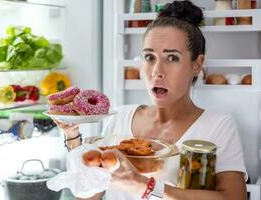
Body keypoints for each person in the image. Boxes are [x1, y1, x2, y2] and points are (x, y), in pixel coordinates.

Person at [54, 1, 247, 199]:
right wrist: (72, 136)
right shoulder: (120, 117)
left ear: (197, 64)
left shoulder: (217, 126)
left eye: (172, 58)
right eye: (149, 57)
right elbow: (89, 195)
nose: (157, 72)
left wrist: (144, 186)